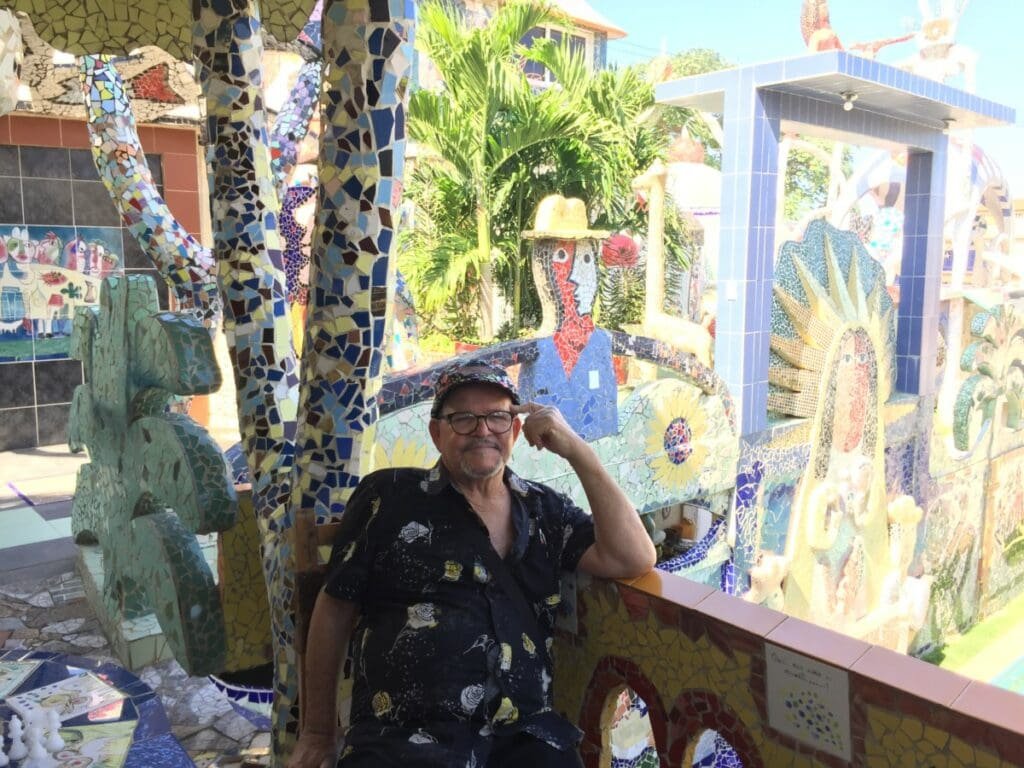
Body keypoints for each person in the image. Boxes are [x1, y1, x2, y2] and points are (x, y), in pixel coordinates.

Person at [288, 360, 656, 768]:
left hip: (523, 736)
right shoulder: (388, 496)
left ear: (514, 431)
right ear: (436, 433)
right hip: (403, 738)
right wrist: (317, 732)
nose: (482, 430)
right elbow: (335, 606)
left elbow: (632, 557)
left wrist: (577, 450)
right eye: (463, 418)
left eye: (497, 417)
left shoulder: (544, 510)